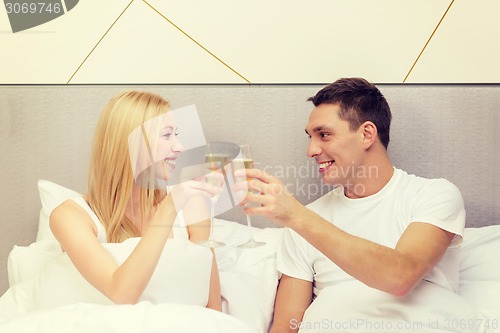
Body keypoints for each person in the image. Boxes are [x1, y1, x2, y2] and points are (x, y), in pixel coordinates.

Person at [239, 78, 477, 332]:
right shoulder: (305, 221)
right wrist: (297, 219)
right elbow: (286, 327)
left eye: (324, 135)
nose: (311, 150)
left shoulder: (433, 195)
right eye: (310, 137)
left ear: (366, 134)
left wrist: (296, 216)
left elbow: (400, 277)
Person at [50, 91, 222, 310]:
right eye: (167, 135)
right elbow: (122, 293)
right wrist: (169, 207)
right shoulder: (69, 217)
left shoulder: (190, 203)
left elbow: (214, 308)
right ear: (132, 143)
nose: (179, 146)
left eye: (176, 135)